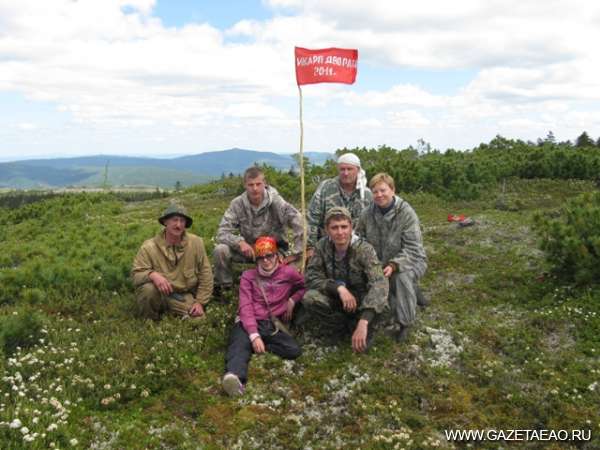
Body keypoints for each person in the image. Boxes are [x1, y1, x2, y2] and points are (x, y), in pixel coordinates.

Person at [222, 236, 305, 396]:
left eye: (269, 256)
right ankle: (235, 378)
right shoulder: (248, 276)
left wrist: (292, 300)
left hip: (271, 325)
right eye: (261, 257)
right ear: (256, 259)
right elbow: (245, 306)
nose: (266, 261)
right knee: (238, 346)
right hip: (247, 322)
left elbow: (303, 286)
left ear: (277, 256)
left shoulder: (289, 273)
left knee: (293, 350)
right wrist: (253, 334)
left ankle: (254, 347)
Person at [302, 207, 388, 353]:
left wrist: (364, 320)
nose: (340, 232)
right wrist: (338, 288)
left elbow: (379, 283)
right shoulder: (322, 246)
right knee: (310, 298)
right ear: (327, 230)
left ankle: (359, 324)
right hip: (337, 299)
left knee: (381, 315)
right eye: (334, 228)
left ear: (351, 227)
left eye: (344, 227)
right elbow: (311, 276)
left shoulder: (364, 249)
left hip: (362, 302)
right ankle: (339, 327)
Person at [356, 173, 427, 342]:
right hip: (379, 262)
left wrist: (395, 264)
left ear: (393, 190)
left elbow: (414, 248)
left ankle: (404, 323)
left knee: (401, 278)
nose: (379, 195)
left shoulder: (407, 213)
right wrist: (368, 261)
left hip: (411, 261)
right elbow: (359, 238)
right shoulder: (367, 213)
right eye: (375, 191)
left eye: (383, 190)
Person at [213, 167, 304, 292]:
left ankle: (281, 289)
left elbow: (299, 222)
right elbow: (222, 232)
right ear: (245, 185)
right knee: (220, 250)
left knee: (300, 261)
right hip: (250, 250)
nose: (255, 188)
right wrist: (240, 242)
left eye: (258, 184)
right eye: (251, 185)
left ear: (265, 183)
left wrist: (295, 253)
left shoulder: (276, 202)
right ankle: (224, 288)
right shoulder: (237, 204)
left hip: (274, 252)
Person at [131, 203, 213, 322]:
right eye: (174, 220)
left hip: (181, 296)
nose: (178, 225)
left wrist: (200, 302)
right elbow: (135, 275)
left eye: (182, 221)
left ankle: (171, 313)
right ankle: (150, 322)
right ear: (165, 222)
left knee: (199, 320)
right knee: (148, 290)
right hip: (158, 294)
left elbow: (206, 275)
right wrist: (152, 275)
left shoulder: (196, 243)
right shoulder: (149, 247)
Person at [306, 153, 373, 254]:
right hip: (326, 247)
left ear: (358, 170)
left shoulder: (367, 195)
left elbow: (371, 225)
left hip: (357, 249)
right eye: (342, 169)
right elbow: (312, 219)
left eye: (349, 169)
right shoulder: (325, 188)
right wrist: (310, 247)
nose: (345, 173)